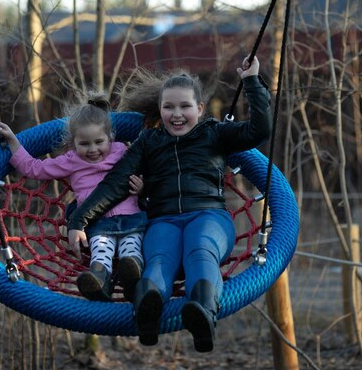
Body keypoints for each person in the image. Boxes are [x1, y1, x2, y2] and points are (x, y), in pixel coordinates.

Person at [67, 55, 271, 352]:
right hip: (162, 219)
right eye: (169, 107)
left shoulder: (215, 133)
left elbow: (260, 130)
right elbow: (114, 183)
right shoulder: (148, 142)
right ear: (159, 110)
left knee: (200, 248)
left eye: (185, 106)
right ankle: (147, 313)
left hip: (209, 216)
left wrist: (252, 82)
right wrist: (79, 221)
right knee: (160, 259)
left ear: (200, 109)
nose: (177, 114)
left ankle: (202, 311)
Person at [0, 92, 147, 302]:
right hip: (96, 223)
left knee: (131, 248)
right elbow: (34, 169)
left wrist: (142, 188)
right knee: (101, 252)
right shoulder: (71, 160)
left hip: (130, 217)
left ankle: (133, 279)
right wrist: (13, 141)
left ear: (111, 137)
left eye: (99, 142)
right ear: (73, 143)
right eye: (84, 144)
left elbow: (149, 170)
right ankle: (98, 283)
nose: (93, 149)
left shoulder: (123, 152)